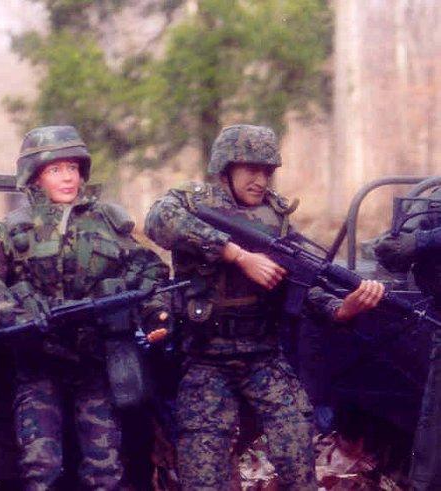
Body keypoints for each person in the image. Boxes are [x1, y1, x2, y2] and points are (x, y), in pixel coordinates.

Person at [144, 124, 385, 490]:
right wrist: (238, 256)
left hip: (264, 357)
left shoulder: (275, 217)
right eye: (251, 170)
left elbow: (300, 284)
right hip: (206, 358)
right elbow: (158, 221)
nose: (260, 180)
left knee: (297, 456)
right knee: (203, 474)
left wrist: (341, 309)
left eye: (267, 171)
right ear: (226, 169)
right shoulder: (193, 202)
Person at [0, 125, 170, 490]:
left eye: (73, 168)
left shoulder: (107, 224)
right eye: (56, 169)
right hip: (37, 362)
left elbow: (149, 270)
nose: (67, 177)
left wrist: (153, 311)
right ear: (35, 176)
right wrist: (15, 314)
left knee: (105, 466)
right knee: (40, 466)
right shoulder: (12, 229)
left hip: (94, 361)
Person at [375, 195, 441, 491]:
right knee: (434, 426)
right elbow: (400, 246)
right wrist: (395, 245)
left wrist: (421, 241)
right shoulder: (433, 201)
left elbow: (419, 239)